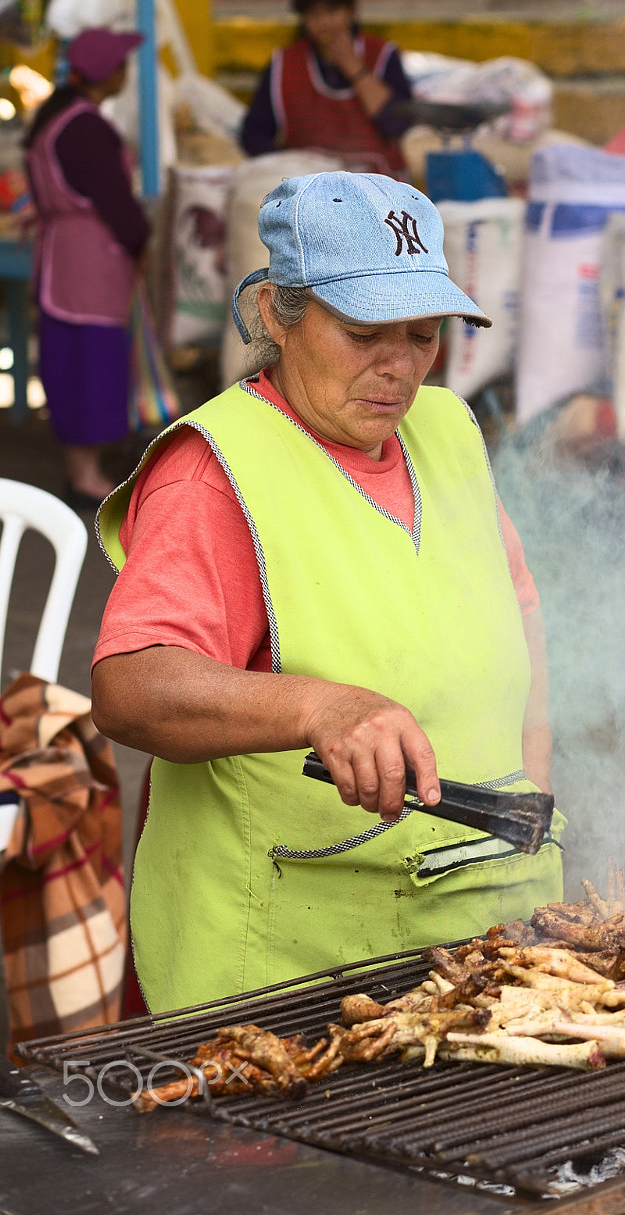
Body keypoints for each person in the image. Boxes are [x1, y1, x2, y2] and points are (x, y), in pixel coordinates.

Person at [90, 171, 562, 1012]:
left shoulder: (446, 431)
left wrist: (528, 865)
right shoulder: (216, 473)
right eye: (363, 332)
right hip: (284, 979)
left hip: (471, 949)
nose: (398, 368)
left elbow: (519, 635)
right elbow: (132, 686)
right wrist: (320, 709)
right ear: (277, 312)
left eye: (423, 335)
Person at [23, 28, 149, 509]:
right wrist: (140, 240)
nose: (126, 72)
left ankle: (84, 467)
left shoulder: (55, 118)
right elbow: (116, 203)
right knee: (91, 364)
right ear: (109, 74)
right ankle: (87, 474)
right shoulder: (87, 128)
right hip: (89, 261)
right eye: (122, 64)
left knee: (68, 360)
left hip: (62, 256)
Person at [239, 0, 413, 176]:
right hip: (309, 188)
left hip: (377, 187)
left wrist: (355, 69)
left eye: (332, 11)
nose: (324, 23)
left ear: (352, 10)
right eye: (314, 14)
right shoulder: (283, 65)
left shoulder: (383, 56)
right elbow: (254, 134)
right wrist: (287, 171)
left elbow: (399, 124)